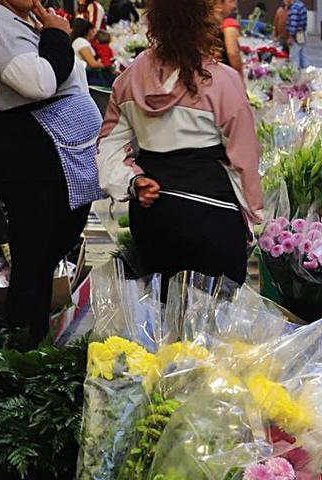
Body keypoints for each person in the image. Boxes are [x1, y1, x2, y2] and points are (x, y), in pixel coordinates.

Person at [0, 0, 101, 346]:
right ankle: (23, 347)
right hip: (30, 157)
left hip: (56, 156)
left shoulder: (21, 19)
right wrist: (56, 35)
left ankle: (33, 337)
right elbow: (39, 83)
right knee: (33, 256)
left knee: (48, 252)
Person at [97, 0, 262, 288]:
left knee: (161, 310)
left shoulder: (130, 78)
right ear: (202, 25)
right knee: (213, 315)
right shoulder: (222, 81)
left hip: (153, 213)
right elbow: (244, 159)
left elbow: (107, 147)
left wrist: (133, 181)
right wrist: (255, 218)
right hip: (212, 211)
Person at [72, 18, 113, 87]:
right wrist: (108, 65)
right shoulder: (81, 42)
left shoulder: (83, 41)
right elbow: (92, 63)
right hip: (89, 76)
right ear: (89, 31)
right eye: (92, 29)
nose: (94, 32)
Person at [215, 0, 244, 74]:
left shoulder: (205, 27)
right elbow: (233, 53)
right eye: (231, 1)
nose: (234, 6)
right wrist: (240, 76)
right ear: (218, 5)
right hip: (226, 75)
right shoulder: (229, 24)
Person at [286, 0, 309, 69]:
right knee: (303, 55)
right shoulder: (301, 5)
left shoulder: (294, 8)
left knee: (294, 58)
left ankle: (295, 75)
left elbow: (293, 23)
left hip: (296, 35)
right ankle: (306, 73)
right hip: (302, 33)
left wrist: (291, 36)